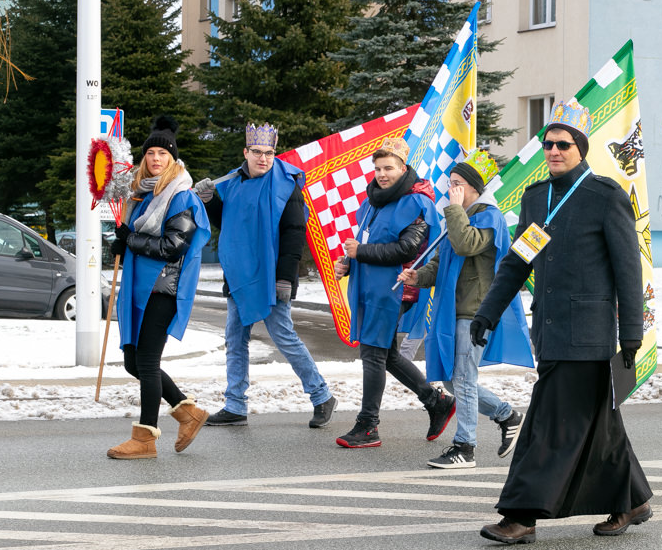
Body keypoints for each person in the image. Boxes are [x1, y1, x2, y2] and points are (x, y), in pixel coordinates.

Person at [473, 100, 652, 544]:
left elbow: (629, 272)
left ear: (581, 149)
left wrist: (631, 333)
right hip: (549, 332)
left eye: (563, 145)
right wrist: (488, 311)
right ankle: (633, 501)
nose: (554, 151)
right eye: (549, 144)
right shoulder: (536, 198)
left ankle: (521, 516)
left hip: (588, 336)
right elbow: (517, 265)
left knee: (547, 426)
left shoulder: (605, 196)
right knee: (599, 427)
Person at [194, 123, 337, 428]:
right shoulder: (231, 183)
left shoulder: (287, 185)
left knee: (283, 337)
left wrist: (285, 279)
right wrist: (210, 201)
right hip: (239, 276)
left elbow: (294, 233)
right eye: (257, 152)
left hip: (274, 278)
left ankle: (321, 395)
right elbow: (228, 220)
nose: (263, 158)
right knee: (235, 340)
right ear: (245, 152)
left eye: (269, 152)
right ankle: (235, 404)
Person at [398, 150, 533, 469]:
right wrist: (419, 276)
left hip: (475, 312)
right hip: (451, 311)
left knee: (462, 377)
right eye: (450, 183)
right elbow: (443, 260)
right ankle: (507, 415)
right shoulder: (459, 214)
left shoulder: (488, 216)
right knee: (450, 379)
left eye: (457, 184)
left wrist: (455, 210)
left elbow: (466, 245)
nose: (450, 190)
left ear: (473, 186)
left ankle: (465, 447)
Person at [333, 137, 456, 448]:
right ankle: (435, 400)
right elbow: (364, 241)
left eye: (389, 168)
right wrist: (348, 263)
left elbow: (408, 248)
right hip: (371, 288)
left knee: (373, 352)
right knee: (384, 352)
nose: (382, 174)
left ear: (404, 168)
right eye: (377, 168)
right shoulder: (373, 201)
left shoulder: (417, 202)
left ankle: (368, 426)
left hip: (395, 289)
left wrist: (361, 252)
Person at [107, 116, 212, 460]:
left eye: (162, 154)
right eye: (150, 153)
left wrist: (132, 240)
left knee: (147, 362)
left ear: (173, 159)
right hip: (141, 286)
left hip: (164, 288)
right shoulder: (142, 194)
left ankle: (145, 439)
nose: (155, 159)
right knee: (133, 362)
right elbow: (138, 239)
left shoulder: (181, 196)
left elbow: (173, 246)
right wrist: (122, 244)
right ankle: (187, 412)